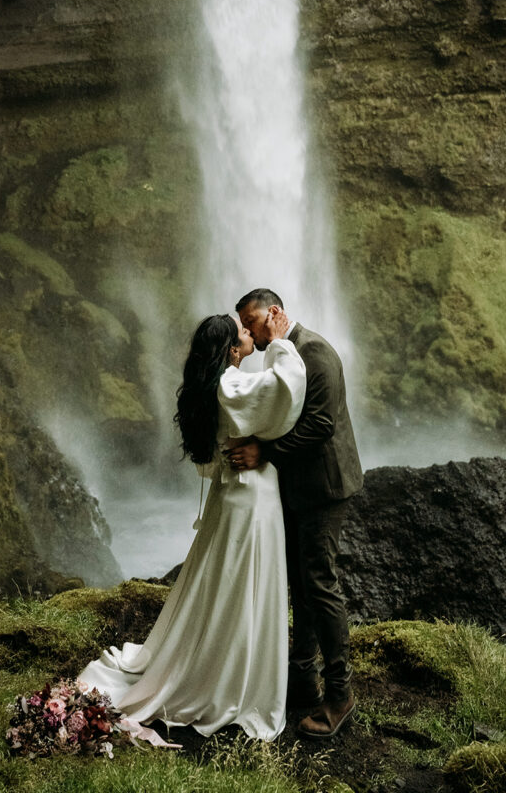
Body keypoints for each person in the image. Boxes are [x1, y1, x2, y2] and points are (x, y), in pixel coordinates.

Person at [77, 312, 306, 742]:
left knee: (229, 584)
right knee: (242, 588)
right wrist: (279, 342)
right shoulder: (231, 385)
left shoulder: (215, 387)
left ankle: (225, 664)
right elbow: (284, 392)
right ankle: (231, 677)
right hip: (249, 500)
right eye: (242, 332)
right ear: (231, 351)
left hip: (235, 496)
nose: (248, 331)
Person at [230, 288, 363, 739]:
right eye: (244, 329)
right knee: (300, 584)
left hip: (326, 488)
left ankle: (341, 695)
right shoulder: (280, 354)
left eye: (254, 324)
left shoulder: (316, 352)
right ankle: (303, 679)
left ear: (276, 313)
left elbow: (321, 426)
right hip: (298, 488)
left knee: (320, 584)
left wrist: (262, 451)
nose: (250, 334)